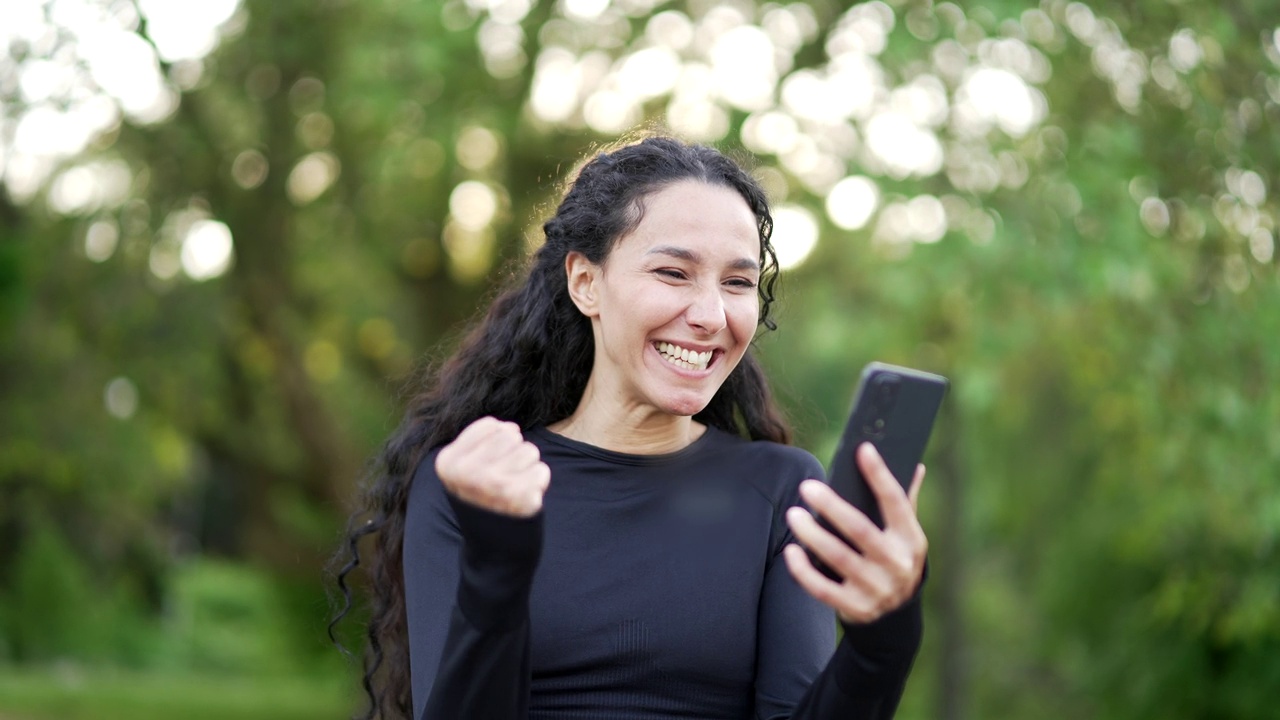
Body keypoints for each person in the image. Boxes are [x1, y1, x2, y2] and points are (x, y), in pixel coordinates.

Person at [331, 136, 928, 720]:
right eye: (673, 273)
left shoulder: (781, 489)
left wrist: (884, 640)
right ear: (586, 283)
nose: (710, 315)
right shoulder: (477, 482)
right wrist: (500, 561)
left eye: (738, 283)